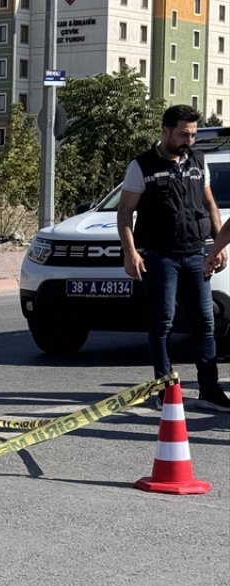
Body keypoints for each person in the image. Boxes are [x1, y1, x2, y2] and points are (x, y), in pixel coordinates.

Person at [117, 104, 230, 413]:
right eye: (183, 134)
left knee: (205, 324)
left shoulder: (197, 161)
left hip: (195, 254)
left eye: (192, 135)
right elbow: (125, 211)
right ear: (165, 131)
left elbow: (210, 204)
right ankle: (165, 390)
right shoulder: (142, 166)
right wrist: (130, 251)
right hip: (160, 256)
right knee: (162, 323)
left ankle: (209, 389)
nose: (188, 141)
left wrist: (218, 245)